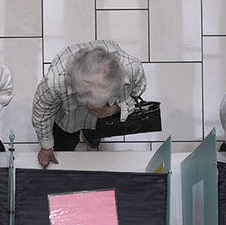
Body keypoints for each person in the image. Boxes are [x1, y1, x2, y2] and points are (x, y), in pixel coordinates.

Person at [31, 40, 146, 168]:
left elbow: (137, 93)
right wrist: (46, 147)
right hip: (69, 118)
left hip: (105, 117)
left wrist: (115, 108)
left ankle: (90, 132)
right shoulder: (54, 82)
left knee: (97, 129)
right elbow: (42, 113)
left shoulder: (132, 70)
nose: (90, 107)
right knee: (64, 143)